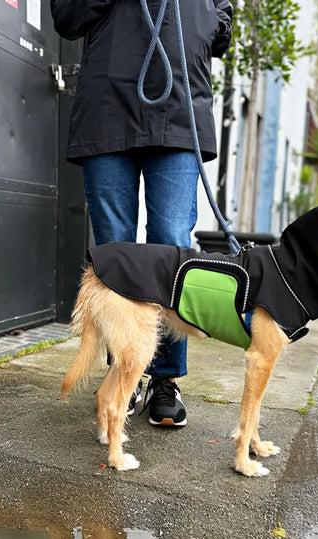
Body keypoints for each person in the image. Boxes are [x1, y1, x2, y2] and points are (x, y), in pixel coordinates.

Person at [50, 0, 233, 427]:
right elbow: (66, 16)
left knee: (171, 243)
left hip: (180, 107)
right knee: (116, 250)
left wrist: (204, 22)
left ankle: (165, 378)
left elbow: (222, 22)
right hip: (107, 106)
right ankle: (124, 372)